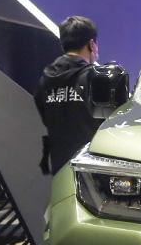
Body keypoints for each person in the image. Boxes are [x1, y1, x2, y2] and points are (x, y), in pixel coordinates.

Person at [35, 16, 102, 174]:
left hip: (60, 171)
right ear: (91, 44)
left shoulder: (45, 80)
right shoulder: (97, 79)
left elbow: (46, 119)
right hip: (93, 173)